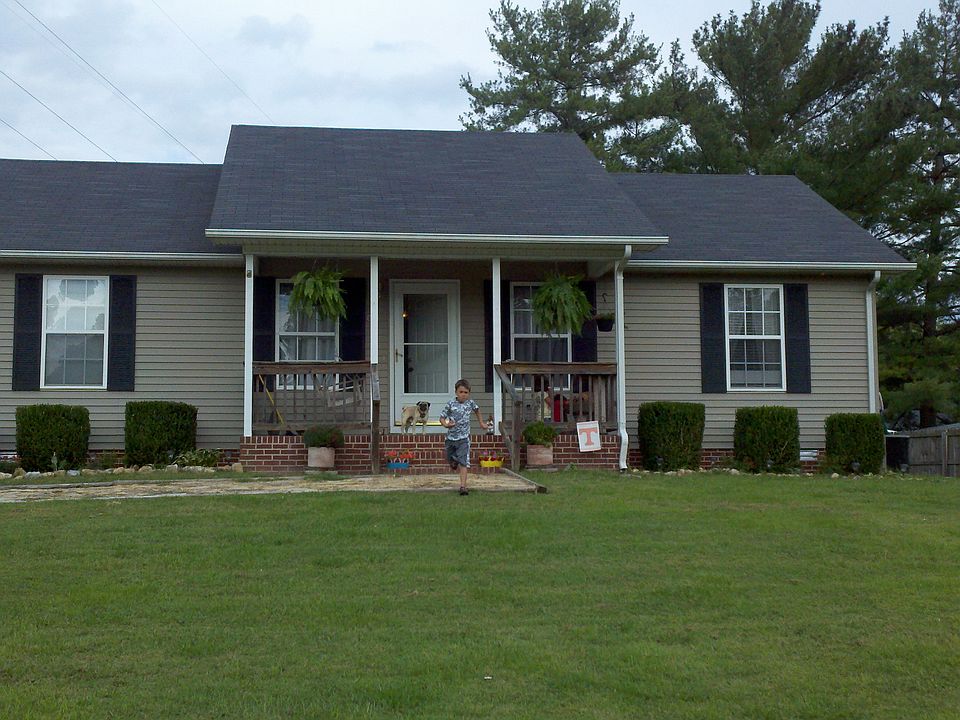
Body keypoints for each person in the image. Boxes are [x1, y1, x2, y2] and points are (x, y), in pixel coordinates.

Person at [438, 378, 489, 495]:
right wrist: (446, 425)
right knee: (450, 459)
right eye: (461, 392)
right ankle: (453, 461)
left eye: (466, 392)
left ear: (469, 394)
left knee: (464, 462)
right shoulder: (451, 404)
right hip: (451, 439)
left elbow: (477, 410)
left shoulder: (470, 403)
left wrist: (481, 423)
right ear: (456, 392)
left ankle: (463, 487)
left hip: (463, 439)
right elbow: (441, 417)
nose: (463, 395)